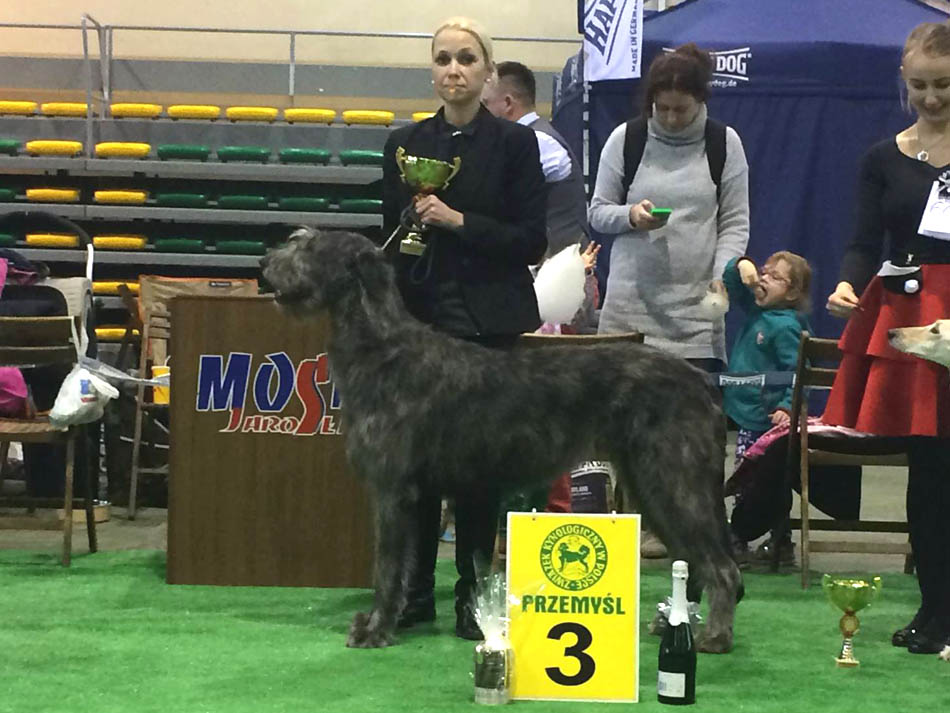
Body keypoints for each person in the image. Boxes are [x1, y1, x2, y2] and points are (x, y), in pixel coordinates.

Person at [380, 16, 547, 640]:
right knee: (414, 470)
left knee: (479, 473)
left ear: (487, 72)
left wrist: (456, 220)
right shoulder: (402, 143)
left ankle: (473, 598)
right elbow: (392, 238)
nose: (455, 69)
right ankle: (413, 593)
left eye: (468, 60)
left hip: (488, 328)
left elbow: (532, 240)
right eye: (445, 59)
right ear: (432, 70)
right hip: (417, 329)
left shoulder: (514, 145)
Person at [588, 43, 750, 557]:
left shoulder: (725, 144)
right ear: (650, 102)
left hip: (696, 317)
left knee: (698, 439)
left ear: (701, 101)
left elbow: (735, 223)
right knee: (626, 431)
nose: (673, 118)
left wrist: (721, 273)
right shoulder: (627, 139)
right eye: (663, 108)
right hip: (629, 312)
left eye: (682, 109)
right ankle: (639, 522)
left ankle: (704, 532)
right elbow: (597, 211)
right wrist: (630, 217)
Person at [824, 21, 950, 655]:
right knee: (926, 473)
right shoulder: (882, 157)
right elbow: (861, 241)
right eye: (920, 85)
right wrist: (849, 284)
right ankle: (935, 609)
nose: (930, 99)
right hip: (910, 320)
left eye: (944, 86)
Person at [721, 252, 812, 566]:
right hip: (746, 413)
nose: (763, 279)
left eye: (774, 277)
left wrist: (788, 406)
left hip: (767, 420)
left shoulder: (785, 327)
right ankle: (775, 541)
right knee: (753, 480)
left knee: (756, 481)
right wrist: (742, 265)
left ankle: (745, 538)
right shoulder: (756, 311)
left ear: (792, 293)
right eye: (764, 272)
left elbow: (800, 371)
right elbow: (731, 282)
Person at [481, 60, 590, 257]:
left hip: (556, 267)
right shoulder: (533, 137)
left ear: (507, 103)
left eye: (485, 104)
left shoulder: (539, 141)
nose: (480, 112)